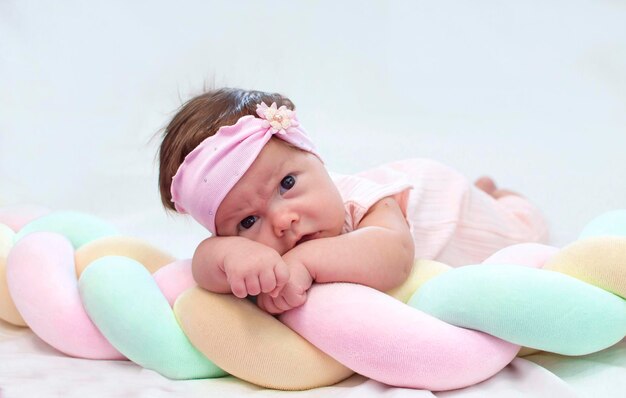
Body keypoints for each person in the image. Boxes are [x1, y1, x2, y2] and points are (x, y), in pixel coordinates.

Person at [157, 88, 548, 314]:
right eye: (246, 222)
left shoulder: (360, 201)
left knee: (525, 227)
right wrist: (226, 257)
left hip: (452, 211)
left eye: (287, 183)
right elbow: (205, 265)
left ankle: (499, 194)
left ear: (317, 159)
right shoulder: (250, 244)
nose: (282, 221)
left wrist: (304, 261)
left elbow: (394, 256)